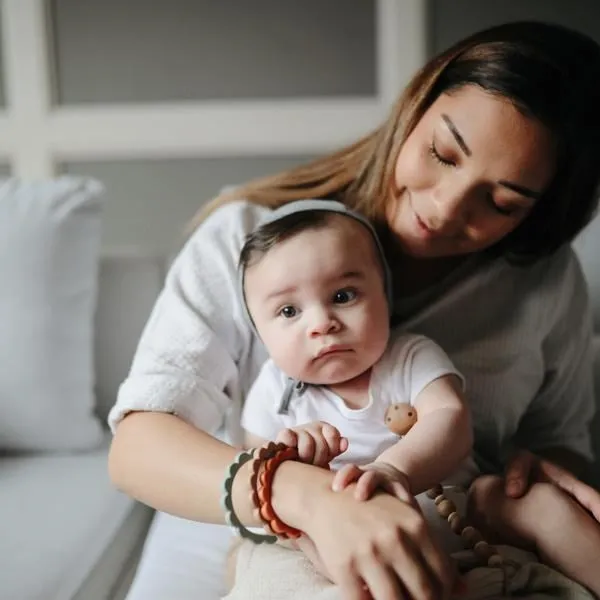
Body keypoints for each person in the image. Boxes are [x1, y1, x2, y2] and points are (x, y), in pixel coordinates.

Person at [107, 20, 600, 600]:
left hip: (467, 526)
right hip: (271, 524)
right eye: (442, 153)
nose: (443, 210)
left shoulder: (542, 280)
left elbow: (558, 437)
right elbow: (139, 445)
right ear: (414, 108)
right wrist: (311, 499)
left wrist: (538, 474)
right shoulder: (250, 239)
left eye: (500, 202)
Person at [226, 200, 600, 598]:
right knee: (271, 557)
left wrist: (395, 470)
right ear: (260, 334)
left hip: (457, 505)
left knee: (540, 503)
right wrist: (297, 458)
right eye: (288, 311)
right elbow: (259, 473)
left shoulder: (408, 356)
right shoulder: (273, 390)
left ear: (385, 297)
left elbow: (450, 417)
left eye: (343, 296)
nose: (322, 323)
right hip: (341, 532)